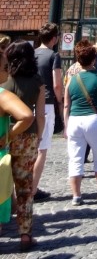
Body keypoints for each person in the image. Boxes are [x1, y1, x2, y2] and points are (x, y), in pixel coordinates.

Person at [64, 40, 97, 206]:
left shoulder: (71, 79)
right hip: (94, 120)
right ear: (94, 58)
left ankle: (76, 196)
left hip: (74, 120)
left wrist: (66, 126)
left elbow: (67, 104)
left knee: (75, 159)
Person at [4, 41, 44, 251]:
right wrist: (39, 137)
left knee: (1, 185)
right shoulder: (37, 81)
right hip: (28, 137)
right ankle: (25, 233)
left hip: (4, 136)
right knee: (24, 188)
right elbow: (40, 116)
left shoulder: (5, 82)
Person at [0, 52, 34, 244]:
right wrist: (10, 135)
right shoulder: (2, 95)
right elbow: (27, 116)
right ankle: (25, 234)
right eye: (5, 68)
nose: (8, 72)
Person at [33, 22, 63, 202]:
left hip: (29, 102)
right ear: (54, 38)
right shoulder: (54, 56)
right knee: (42, 149)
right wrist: (60, 101)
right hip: (47, 103)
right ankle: (33, 189)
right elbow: (57, 83)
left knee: (30, 147)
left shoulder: (32, 53)